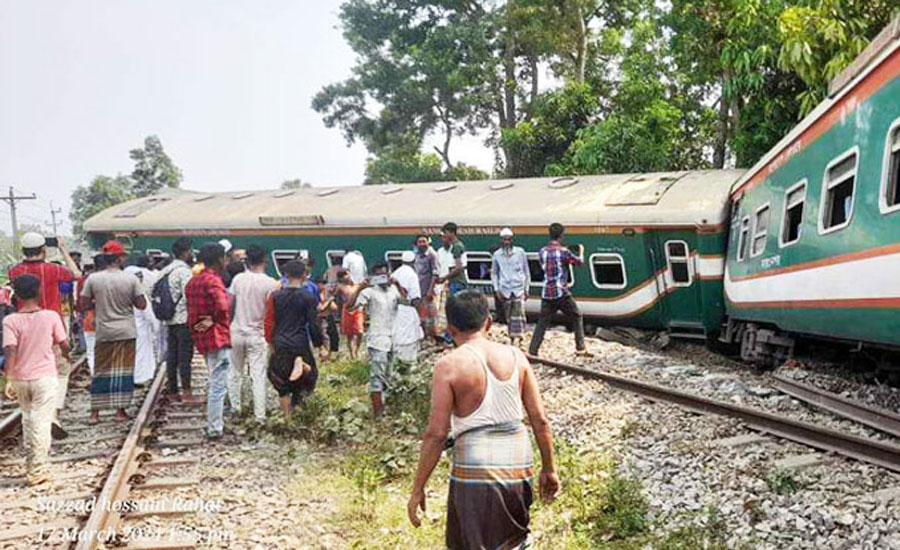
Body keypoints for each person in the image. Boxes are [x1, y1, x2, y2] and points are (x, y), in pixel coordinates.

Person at [407, 290, 559, 548]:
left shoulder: (448, 366)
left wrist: (418, 488)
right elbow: (540, 420)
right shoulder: (516, 357)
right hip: (517, 463)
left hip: (474, 467)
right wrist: (549, 468)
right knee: (515, 539)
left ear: (450, 328)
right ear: (488, 322)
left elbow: (436, 434)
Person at [8, 232, 81, 437]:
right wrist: (63, 249)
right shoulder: (55, 270)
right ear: (44, 250)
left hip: (22, 329)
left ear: (23, 251)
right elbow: (76, 274)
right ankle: (52, 413)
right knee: (60, 370)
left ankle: (35, 414)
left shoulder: (14, 271)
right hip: (51, 326)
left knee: (33, 372)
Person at [2, 275, 71, 486]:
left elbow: (10, 349)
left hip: (22, 378)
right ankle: (37, 469)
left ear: (17, 295)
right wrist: (67, 355)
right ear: (39, 291)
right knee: (41, 422)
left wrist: (10, 378)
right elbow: (64, 343)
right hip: (45, 377)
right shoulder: (50, 316)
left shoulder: (10, 320)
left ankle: (32, 462)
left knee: (28, 419)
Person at [81, 241, 147, 424]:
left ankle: (95, 414)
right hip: (126, 330)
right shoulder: (131, 279)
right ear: (120, 258)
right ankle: (120, 412)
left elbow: (84, 305)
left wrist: (99, 303)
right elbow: (142, 305)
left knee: (101, 371)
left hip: (103, 331)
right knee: (123, 372)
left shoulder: (93, 279)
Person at [263, 260, 324, 419]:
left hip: (280, 341)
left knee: (280, 380)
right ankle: (304, 366)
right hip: (299, 342)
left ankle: (288, 418)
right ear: (305, 275)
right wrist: (320, 345)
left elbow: (269, 321)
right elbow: (313, 324)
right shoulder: (308, 296)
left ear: (286, 275)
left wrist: (270, 342)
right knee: (310, 377)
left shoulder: (275, 296)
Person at [348, 262, 410, 418]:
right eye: (379, 275)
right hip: (377, 339)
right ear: (374, 277)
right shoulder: (369, 292)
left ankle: (385, 409)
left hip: (393, 338)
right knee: (377, 377)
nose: (383, 278)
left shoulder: (394, 291)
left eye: (385, 274)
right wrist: (359, 288)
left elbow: (408, 302)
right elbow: (349, 307)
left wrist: (398, 284)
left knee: (388, 376)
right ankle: (378, 415)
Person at [186, 242, 232, 439]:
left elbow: (192, 314)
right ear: (219, 259)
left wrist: (200, 324)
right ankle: (215, 428)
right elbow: (223, 307)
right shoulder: (214, 281)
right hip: (217, 336)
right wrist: (214, 319)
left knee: (214, 379)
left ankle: (216, 422)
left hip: (202, 338)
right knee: (218, 384)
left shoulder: (193, 281)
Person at [228, 245, 278, 421]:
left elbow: (230, 305)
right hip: (257, 333)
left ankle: (235, 408)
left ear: (247, 260)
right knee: (258, 375)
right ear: (265, 260)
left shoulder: (238, 279)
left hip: (236, 331)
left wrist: (228, 325)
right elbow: (272, 312)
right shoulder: (271, 283)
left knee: (235, 372)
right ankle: (260, 415)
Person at [528, 222, 588, 357]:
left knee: (542, 323)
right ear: (561, 236)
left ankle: (533, 351)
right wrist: (581, 251)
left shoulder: (542, 252)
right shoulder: (564, 252)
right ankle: (580, 347)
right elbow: (579, 262)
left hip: (546, 293)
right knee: (576, 316)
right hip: (561, 292)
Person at [156, 237, 195, 402]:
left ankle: (173, 391)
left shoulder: (165, 270)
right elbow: (189, 295)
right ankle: (186, 392)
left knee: (172, 355)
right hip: (183, 319)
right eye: (191, 250)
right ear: (186, 252)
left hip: (168, 318)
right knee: (185, 356)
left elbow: (153, 290)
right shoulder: (184, 271)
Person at [491, 227, 531, 346]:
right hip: (505, 289)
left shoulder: (520, 252)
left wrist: (527, 288)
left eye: (508, 239)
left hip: (518, 287)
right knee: (509, 315)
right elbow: (494, 273)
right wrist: (496, 289)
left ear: (512, 240)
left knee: (519, 314)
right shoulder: (497, 255)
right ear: (501, 240)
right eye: (504, 240)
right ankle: (512, 338)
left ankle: (520, 337)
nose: (506, 242)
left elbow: (526, 271)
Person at [125, 256, 160, 386]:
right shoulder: (139, 294)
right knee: (140, 355)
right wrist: (156, 329)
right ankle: (138, 379)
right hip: (140, 330)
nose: (140, 278)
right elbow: (149, 314)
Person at [391, 251, 424, 367]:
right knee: (409, 339)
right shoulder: (412, 275)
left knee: (397, 337)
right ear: (414, 262)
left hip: (395, 311)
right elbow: (416, 299)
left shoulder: (395, 273)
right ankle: (409, 366)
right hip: (408, 310)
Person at [412, 235, 440, 343]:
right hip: (418, 291)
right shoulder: (417, 255)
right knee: (421, 316)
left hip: (428, 291)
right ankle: (424, 336)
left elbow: (435, 274)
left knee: (431, 316)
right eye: (420, 242)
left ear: (428, 242)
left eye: (424, 241)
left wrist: (430, 291)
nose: (422, 244)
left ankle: (433, 338)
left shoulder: (432, 255)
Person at [336, 270, 364, 359]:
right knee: (349, 334)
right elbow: (337, 300)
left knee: (360, 331)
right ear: (341, 278)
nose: (347, 276)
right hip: (347, 309)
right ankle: (352, 354)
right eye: (345, 275)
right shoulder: (340, 287)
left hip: (358, 309)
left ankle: (357, 350)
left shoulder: (357, 286)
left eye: (348, 274)